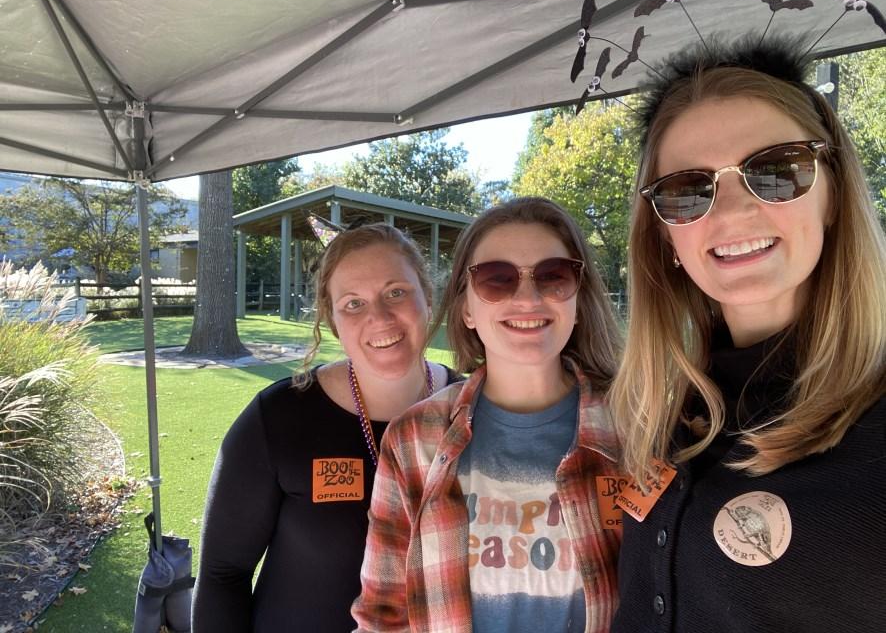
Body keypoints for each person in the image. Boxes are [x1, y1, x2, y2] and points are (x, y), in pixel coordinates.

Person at [609, 37, 886, 632]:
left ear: (834, 194)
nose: (732, 211)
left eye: (778, 170)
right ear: (665, 237)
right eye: (688, 189)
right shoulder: (674, 413)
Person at [352, 197, 623, 633]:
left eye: (553, 276)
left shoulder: (639, 427)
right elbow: (383, 616)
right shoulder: (412, 439)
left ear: (578, 299)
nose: (527, 298)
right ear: (466, 309)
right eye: (497, 279)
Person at [192, 224, 461, 633]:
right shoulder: (278, 417)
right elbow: (223, 574)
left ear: (427, 296)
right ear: (333, 320)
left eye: (396, 292)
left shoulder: (474, 411)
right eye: (353, 303)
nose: (379, 317)